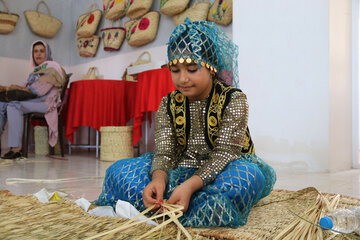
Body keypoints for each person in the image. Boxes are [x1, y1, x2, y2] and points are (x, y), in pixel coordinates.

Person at [96, 19, 276, 227]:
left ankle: (178, 204)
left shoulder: (233, 99)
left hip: (223, 170)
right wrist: (159, 180)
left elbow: (225, 153)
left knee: (248, 178)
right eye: (175, 70)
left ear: (211, 68)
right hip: (179, 169)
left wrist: (190, 186)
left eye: (192, 69)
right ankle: (192, 206)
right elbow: (164, 152)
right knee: (118, 171)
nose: (182, 79)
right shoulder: (169, 102)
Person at [0, 40, 66, 159]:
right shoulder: (36, 71)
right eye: (35, 51)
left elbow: (39, 91)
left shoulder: (52, 67)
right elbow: (25, 85)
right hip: (35, 101)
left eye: (41, 51)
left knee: (14, 105)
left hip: (46, 103)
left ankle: (16, 149)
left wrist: (17, 88)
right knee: (2, 104)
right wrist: (7, 88)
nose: (38, 54)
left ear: (47, 53)